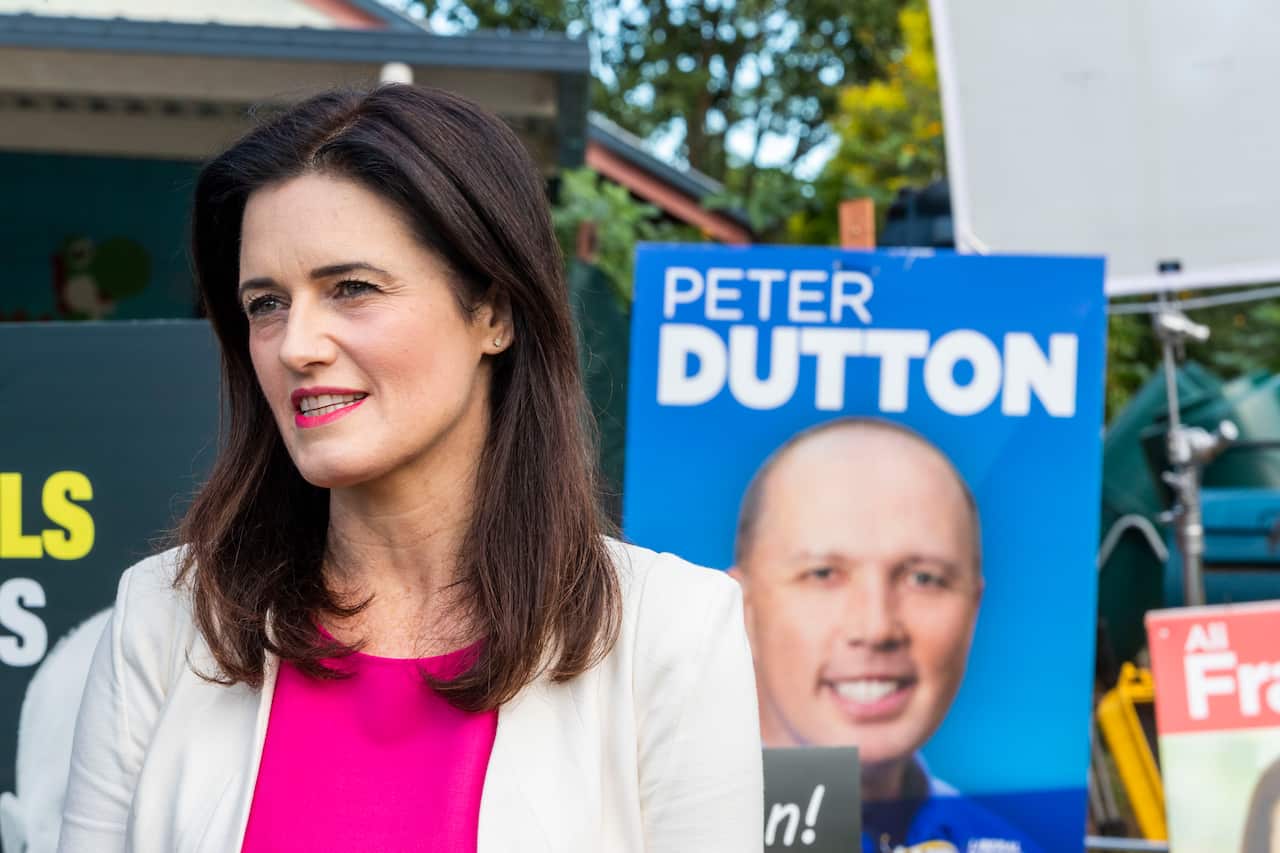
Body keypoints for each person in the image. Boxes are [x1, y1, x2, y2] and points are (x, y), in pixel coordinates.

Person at [57, 85, 762, 853]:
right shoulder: (165, 619)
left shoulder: (673, 633)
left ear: (493, 311)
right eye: (266, 303)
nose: (297, 344)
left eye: (351, 288)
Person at [730, 417, 1041, 853]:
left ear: (973, 609)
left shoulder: (1006, 844)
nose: (876, 628)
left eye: (924, 578)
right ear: (742, 607)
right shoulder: (659, 834)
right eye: (823, 574)